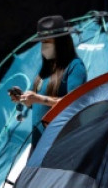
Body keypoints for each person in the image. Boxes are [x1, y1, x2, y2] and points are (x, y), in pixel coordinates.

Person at [9, 15, 87, 147]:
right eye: (42, 42)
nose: (43, 46)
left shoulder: (75, 66)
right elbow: (40, 104)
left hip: (61, 143)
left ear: (61, 42)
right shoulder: (46, 68)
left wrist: (39, 98)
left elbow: (75, 104)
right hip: (39, 142)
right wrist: (25, 99)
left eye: (47, 42)